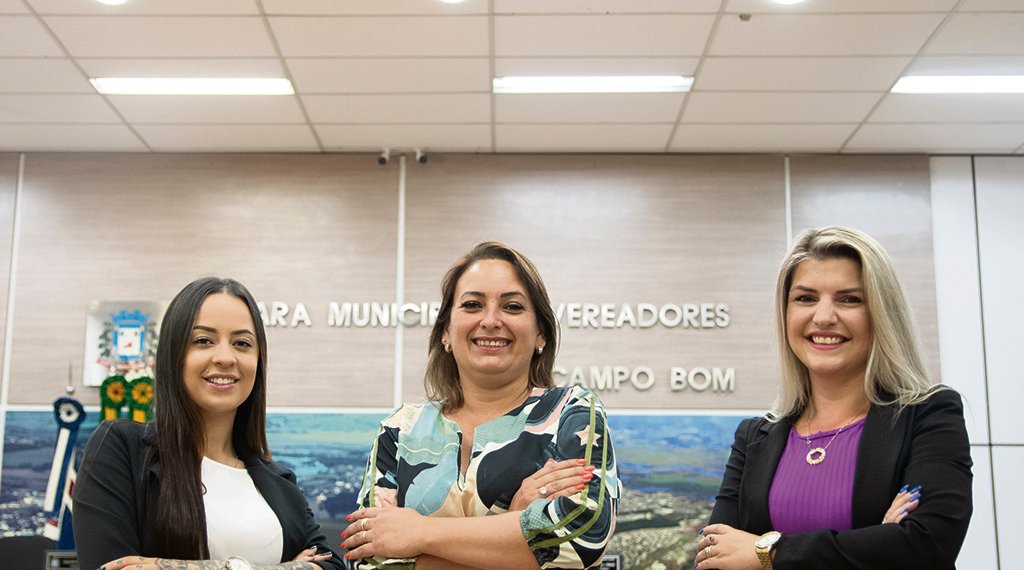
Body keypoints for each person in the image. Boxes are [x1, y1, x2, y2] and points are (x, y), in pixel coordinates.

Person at [694, 227, 972, 570]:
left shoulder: (928, 416)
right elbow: (715, 559)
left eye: (849, 299)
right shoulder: (754, 438)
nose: (824, 317)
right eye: (805, 298)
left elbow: (925, 546)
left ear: (882, 313)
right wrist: (875, 545)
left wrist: (766, 552)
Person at [342, 242, 620, 569]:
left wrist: (418, 533)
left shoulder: (571, 413)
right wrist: (517, 524)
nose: (490, 320)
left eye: (512, 307)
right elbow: (368, 559)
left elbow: (582, 538)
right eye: (472, 305)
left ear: (541, 333)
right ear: (445, 331)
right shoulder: (400, 430)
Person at [73, 277, 343, 570]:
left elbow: (331, 566)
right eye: (203, 340)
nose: (225, 357)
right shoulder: (121, 449)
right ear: (172, 355)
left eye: (242, 343)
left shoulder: (280, 483)